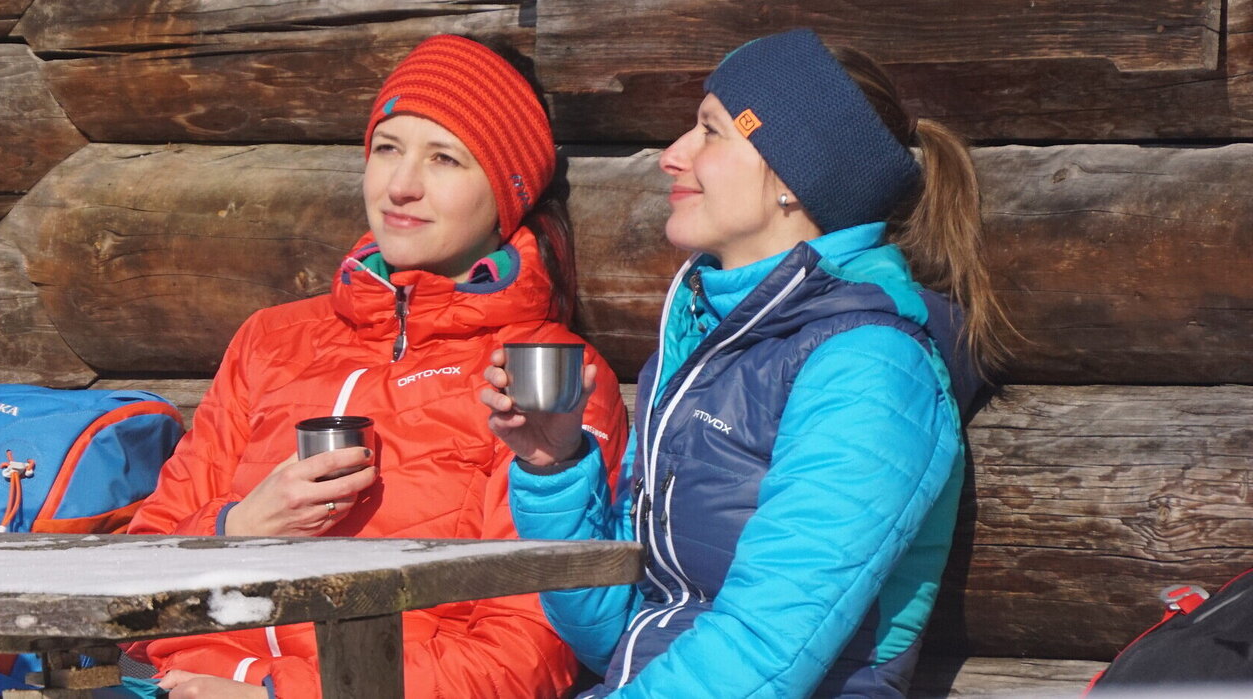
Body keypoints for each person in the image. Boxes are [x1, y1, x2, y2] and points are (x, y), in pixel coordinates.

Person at [483, 28, 1016, 697]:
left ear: (794, 175)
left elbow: (762, 650)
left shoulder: (872, 370)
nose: (671, 156)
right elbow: (618, 633)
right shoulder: (706, 343)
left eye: (710, 131)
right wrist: (553, 466)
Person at [129, 35, 629, 699]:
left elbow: (523, 654)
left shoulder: (543, 376)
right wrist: (240, 528)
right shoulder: (270, 340)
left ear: (506, 195)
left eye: (445, 158)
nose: (401, 185)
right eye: (386, 148)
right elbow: (129, 581)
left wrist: (282, 695)